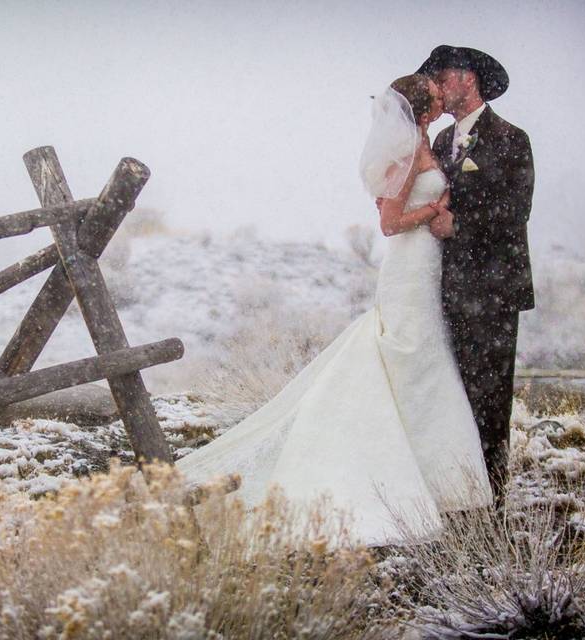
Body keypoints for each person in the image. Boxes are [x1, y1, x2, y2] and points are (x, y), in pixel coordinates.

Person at [175, 73, 492, 548]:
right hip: (408, 264)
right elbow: (388, 224)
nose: (444, 95)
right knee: (411, 351)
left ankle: (436, 477)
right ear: (424, 108)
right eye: (435, 93)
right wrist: (432, 212)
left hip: (429, 264)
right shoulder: (407, 153)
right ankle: (400, 466)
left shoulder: (426, 142)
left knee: (424, 357)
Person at [416, 45, 535, 504]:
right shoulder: (442, 142)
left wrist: (459, 223)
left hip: (494, 290)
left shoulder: (512, 139)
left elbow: (515, 209)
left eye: (443, 76)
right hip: (446, 289)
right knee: (453, 393)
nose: (438, 86)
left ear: (468, 78)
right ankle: (457, 490)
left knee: (490, 393)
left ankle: (492, 497)